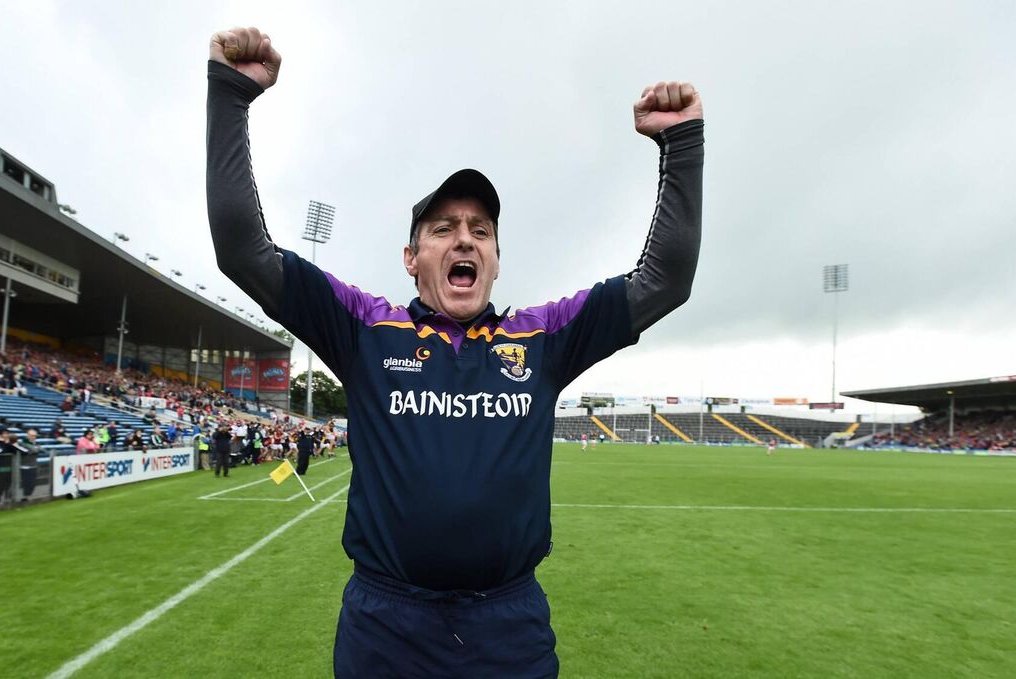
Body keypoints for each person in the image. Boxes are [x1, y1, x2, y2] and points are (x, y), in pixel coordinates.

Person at [207, 26, 702, 676]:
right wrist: (230, 97)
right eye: (443, 228)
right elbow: (244, 250)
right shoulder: (367, 329)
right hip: (385, 628)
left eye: (481, 230)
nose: (464, 239)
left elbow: (664, 279)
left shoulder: (542, 337)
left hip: (508, 629)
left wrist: (683, 142)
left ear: (496, 258)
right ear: (412, 259)